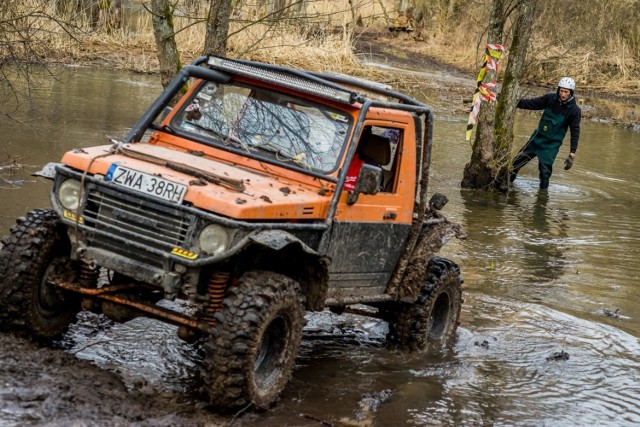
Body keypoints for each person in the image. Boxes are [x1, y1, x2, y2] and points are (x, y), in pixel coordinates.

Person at [510, 77, 582, 189]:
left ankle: (542, 199)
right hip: (536, 140)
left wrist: (572, 153)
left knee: (544, 173)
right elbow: (531, 104)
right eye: (561, 91)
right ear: (558, 90)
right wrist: (511, 101)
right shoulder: (549, 98)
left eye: (566, 92)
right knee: (515, 163)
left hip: (551, 146)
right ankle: (506, 184)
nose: (563, 94)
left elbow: (575, 131)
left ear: (571, 93)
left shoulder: (574, 110)